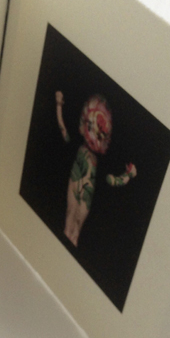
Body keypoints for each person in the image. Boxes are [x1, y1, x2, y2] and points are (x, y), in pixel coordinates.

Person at [55, 91, 136, 246]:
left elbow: (111, 180)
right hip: (77, 183)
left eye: (100, 132)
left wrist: (129, 175)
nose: (94, 134)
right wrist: (59, 104)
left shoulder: (97, 162)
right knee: (69, 222)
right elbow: (63, 129)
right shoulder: (79, 147)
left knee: (75, 231)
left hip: (86, 192)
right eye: (91, 126)